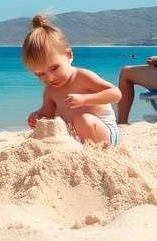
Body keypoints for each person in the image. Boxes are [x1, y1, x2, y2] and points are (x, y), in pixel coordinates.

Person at [22, 14, 122, 146]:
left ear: (68, 55)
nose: (50, 78)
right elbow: (47, 114)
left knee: (83, 120)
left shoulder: (82, 77)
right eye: (40, 74)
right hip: (76, 140)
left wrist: (85, 99)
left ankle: (95, 153)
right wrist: (37, 116)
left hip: (105, 135)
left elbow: (116, 94)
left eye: (54, 68)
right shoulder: (50, 91)